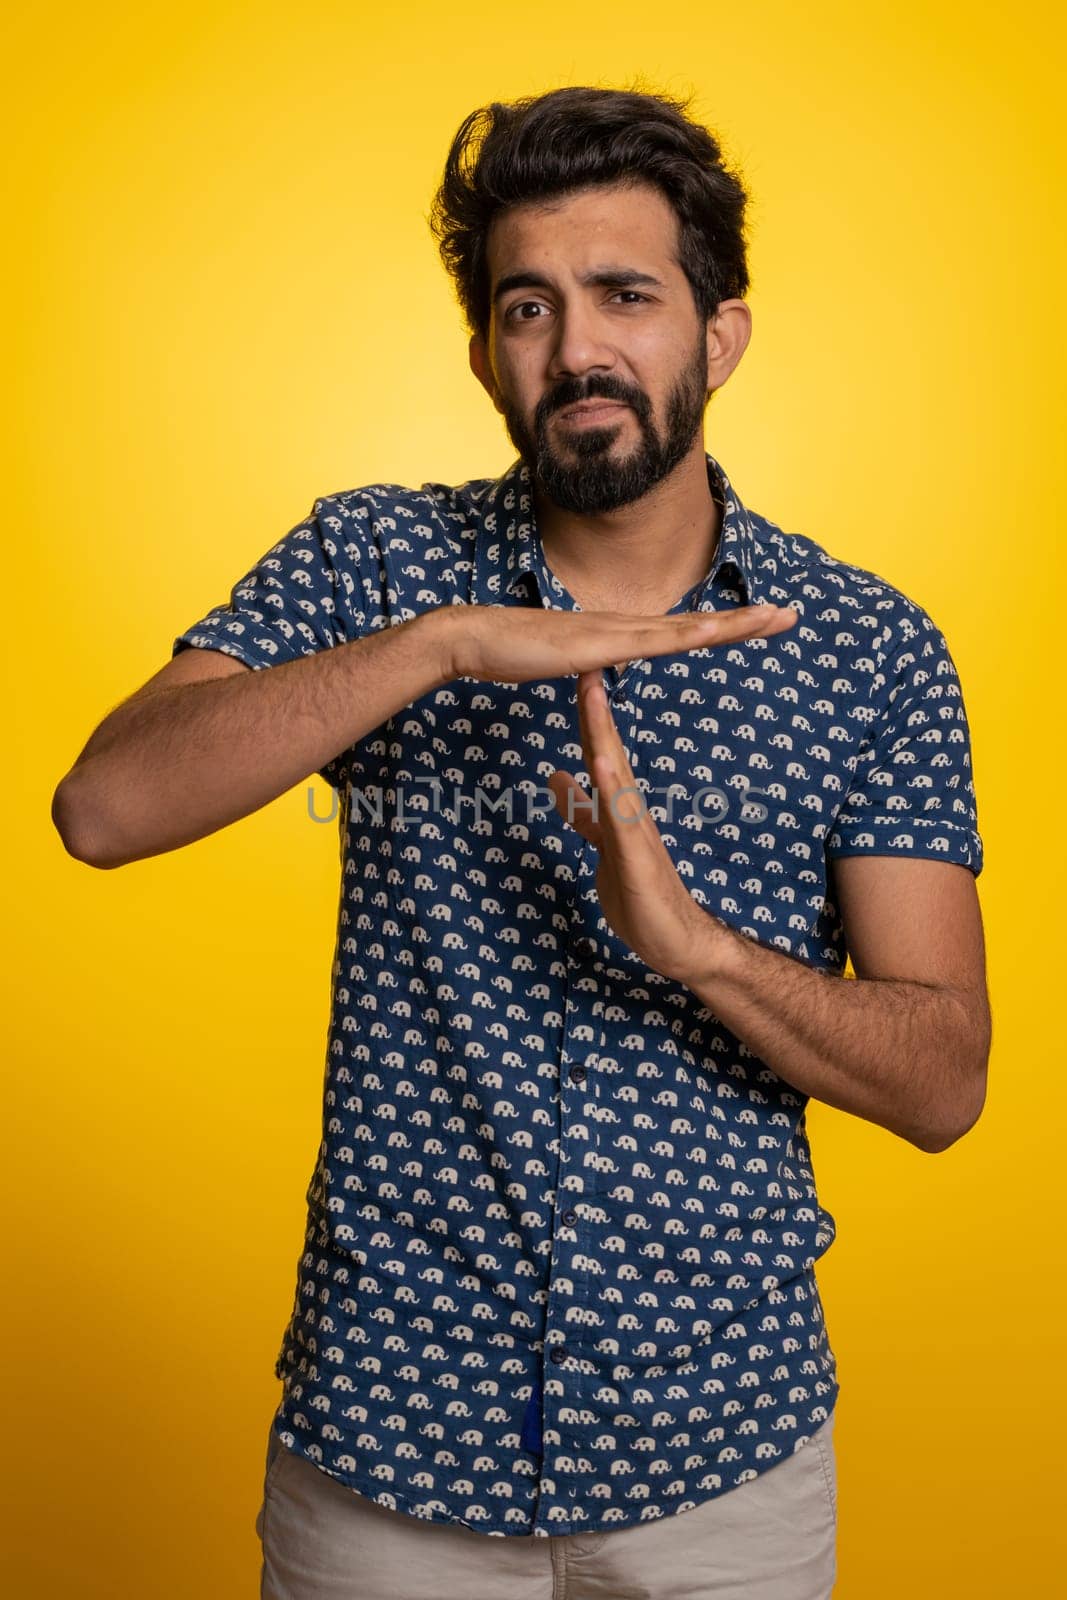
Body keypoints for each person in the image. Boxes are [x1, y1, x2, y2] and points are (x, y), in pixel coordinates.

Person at [51, 83, 991, 1600]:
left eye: (627, 295)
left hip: (721, 1472)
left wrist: (692, 948)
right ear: (488, 348)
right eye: (528, 307)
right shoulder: (378, 565)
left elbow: (945, 1079)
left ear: (719, 335)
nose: (577, 350)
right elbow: (104, 808)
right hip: (387, 1462)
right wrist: (444, 646)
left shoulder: (866, 652)